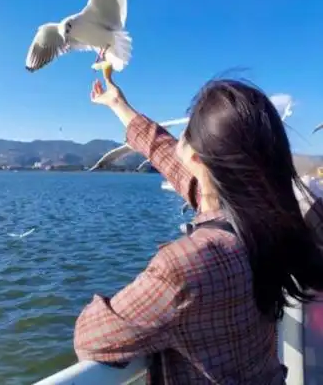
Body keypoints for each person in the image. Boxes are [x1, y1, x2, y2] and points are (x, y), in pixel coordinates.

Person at [73, 65, 323, 384]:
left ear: (196, 158)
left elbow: (92, 339)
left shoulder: (185, 266)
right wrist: (118, 104)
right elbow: (165, 154)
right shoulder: (271, 225)